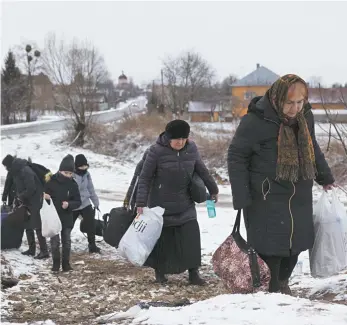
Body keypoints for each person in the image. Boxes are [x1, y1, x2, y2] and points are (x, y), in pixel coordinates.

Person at [227, 74, 335, 295]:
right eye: (289, 103)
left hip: (299, 191)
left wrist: (325, 177)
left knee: (295, 245)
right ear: (277, 99)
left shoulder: (306, 117)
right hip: (266, 193)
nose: (295, 108)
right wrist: (241, 194)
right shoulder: (255, 121)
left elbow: (311, 146)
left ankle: (282, 282)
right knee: (271, 247)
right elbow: (236, 156)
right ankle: (273, 288)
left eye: (299, 102)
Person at [135, 120, 219, 285]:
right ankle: (160, 273)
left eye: (183, 138)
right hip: (161, 205)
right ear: (168, 137)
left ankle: (194, 273)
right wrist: (140, 203)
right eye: (176, 139)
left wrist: (213, 189)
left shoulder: (192, 149)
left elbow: (202, 169)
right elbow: (144, 178)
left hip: (185, 202)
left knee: (191, 238)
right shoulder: (156, 151)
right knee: (163, 242)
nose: (180, 142)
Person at [2, 155, 49, 259]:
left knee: (37, 226)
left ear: (10, 164)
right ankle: (31, 249)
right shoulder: (16, 170)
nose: (6, 169)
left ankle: (44, 251)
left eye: (6, 166)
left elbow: (31, 188)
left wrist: (20, 196)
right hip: (26, 201)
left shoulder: (25, 170)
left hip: (35, 201)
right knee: (27, 224)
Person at [44, 154, 81, 272]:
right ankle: (55, 265)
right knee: (55, 242)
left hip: (67, 216)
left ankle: (66, 264)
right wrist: (45, 197)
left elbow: (78, 201)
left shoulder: (73, 184)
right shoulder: (51, 182)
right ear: (60, 171)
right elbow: (42, 197)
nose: (68, 175)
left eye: (70, 173)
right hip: (53, 217)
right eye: (66, 173)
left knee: (67, 242)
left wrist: (69, 204)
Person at [72, 154, 101, 253]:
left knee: (90, 224)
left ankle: (92, 245)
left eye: (85, 166)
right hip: (74, 204)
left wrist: (96, 202)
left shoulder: (87, 174)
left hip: (85, 203)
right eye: (81, 167)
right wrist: (79, 176)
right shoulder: (71, 174)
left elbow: (90, 188)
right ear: (76, 166)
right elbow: (77, 187)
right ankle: (64, 243)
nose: (84, 168)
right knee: (68, 225)